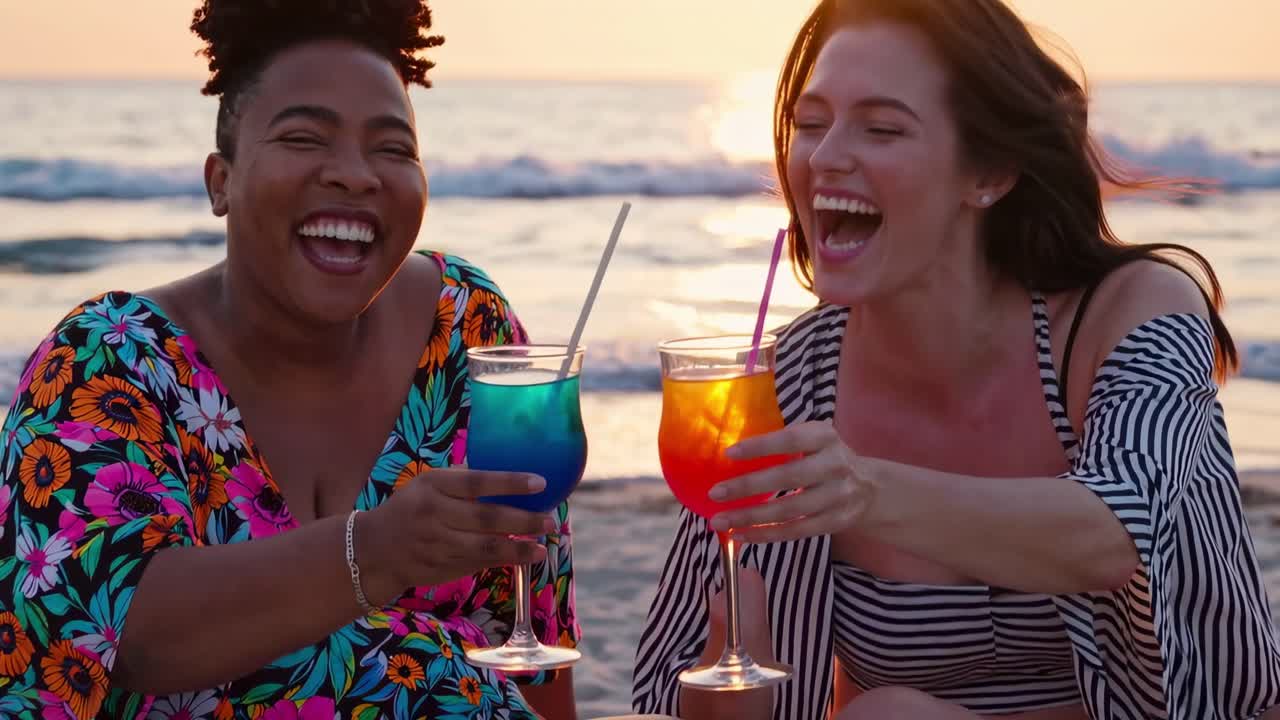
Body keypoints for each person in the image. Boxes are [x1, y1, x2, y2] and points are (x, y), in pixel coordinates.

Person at [633, 0, 1280, 718]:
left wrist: (867, 493)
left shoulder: (1134, 314)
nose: (823, 157)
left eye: (881, 128)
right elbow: (680, 698)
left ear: (990, 172)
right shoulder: (789, 378)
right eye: (811, 125)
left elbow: (1113, 534)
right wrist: (736, 658)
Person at [0, 1, 579, 717]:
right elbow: (120, 634)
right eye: (305, 138)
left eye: (393, 148)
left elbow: (534, 632)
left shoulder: (468, 327)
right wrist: (380, 549)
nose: (355, 175)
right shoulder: (105, 365)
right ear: (220, 182)